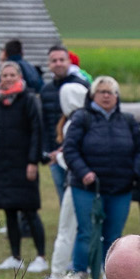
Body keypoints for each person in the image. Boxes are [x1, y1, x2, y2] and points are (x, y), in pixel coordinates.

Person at [62, 76, 140, 279]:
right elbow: (70, 149)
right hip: (87, 188)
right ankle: (79, 278)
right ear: (93, 95)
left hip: (120, 189)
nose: (106, 96)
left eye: (111, 92)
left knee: (113, 236)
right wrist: (84, 172)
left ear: (117, 96)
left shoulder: (128, 121)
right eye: (102, 92)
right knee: (87, 233)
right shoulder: (82, 118)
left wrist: (133, 173)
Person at [0, 62, 47, 274]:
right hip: (2, 164)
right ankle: (15, 256)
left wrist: (33, 161)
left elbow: (37, 131)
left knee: (30, 211)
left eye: (12, 75)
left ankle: (41, 257)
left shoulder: (29, 100)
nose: (8, 78)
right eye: (5, 75)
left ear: (19, 77)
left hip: (24, 164)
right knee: (9, 211)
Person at [38, 44, 89, 206]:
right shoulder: (45, 90)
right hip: (54, 155)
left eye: (62, 60)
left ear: (69, 62)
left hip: (78, 154)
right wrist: (47, 151)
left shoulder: (81, 86)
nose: (58, 63)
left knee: (80, 198)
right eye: (54, 61)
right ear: (49, 64)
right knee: (63, 200)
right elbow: (45, 124)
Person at [48, 80, 88, 279]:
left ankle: (57, 275)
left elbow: (74, 157)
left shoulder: (73, 123)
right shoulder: (87, 119)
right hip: (87, 183)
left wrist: (60, 157)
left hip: (77, 184)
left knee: (67, 230)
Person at [0, 38, 41, 105]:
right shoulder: (31, 67)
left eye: (12, 75)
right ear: (22, 52)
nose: (8, 78)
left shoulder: (8, 69)